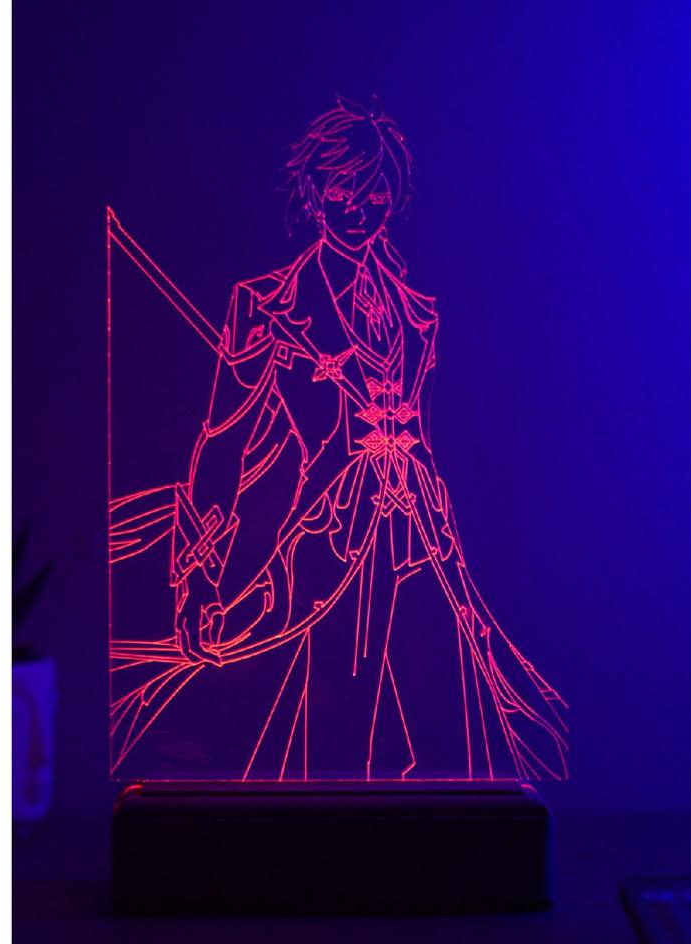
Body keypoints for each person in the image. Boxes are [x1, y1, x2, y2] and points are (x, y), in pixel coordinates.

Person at [110, 97, 568, 781]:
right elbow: (222, 444)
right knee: (337, 746)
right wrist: (199, 574)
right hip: (333, 543)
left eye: (374, 191)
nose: (358, 207)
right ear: (313, 194)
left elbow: (433, 436)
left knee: (460, 745)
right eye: (341, 190)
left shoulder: (418, 315)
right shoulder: (267, 305)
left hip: (423, 537)